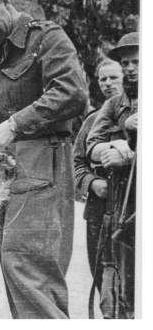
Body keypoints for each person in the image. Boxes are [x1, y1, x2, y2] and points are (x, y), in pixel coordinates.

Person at [0, 0, 87, 318]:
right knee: (17, 273)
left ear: (6, 1)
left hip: (44, 164)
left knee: (29, 272)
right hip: (10, 173)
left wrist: (12, 126)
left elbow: (72, 93)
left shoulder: (47, 37)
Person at [86, 32, 139, 318]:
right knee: (118, 275)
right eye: (126, 63)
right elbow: (90, 147)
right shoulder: (113, 105)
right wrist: (112, 148)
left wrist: (129, 155)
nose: (131, 69)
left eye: (137, 62)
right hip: (119, 203)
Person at [73, 59, 123, 302]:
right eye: (103, 79)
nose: (108, 83)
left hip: (129, 208)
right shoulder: (92, 121)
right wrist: (92, 182)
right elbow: (76, 163)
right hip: (98, 211)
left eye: (114, 77)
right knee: (100, 273)